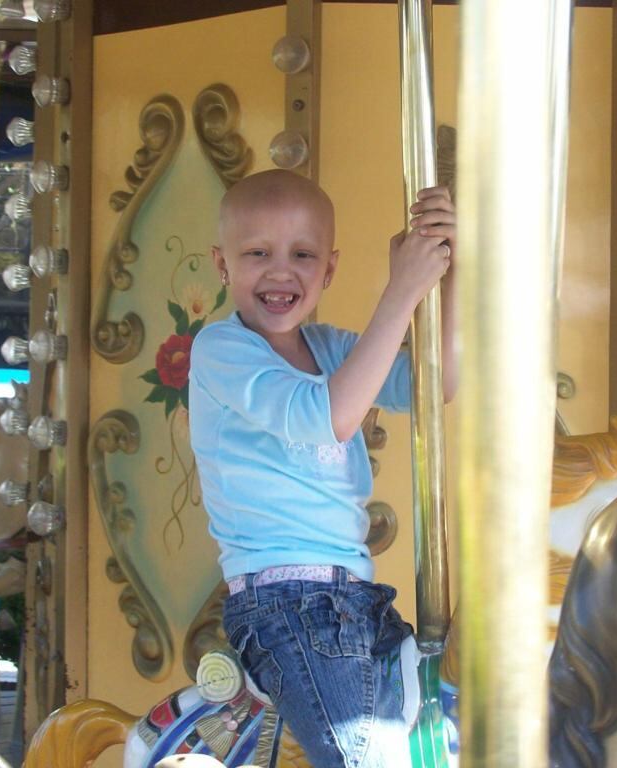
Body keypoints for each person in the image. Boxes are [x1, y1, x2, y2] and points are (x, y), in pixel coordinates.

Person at [188, 169, 457, 768]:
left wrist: (446, 271)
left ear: (328, 269)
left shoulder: (331, 348)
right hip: (285, 607)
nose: (281, 271)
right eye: (258, 253)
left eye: (302, 255)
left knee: (439, 735)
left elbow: (434, 382)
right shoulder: (220, 350)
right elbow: (325, 416)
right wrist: (402, 291)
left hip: (357, 602)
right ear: (222, 264)